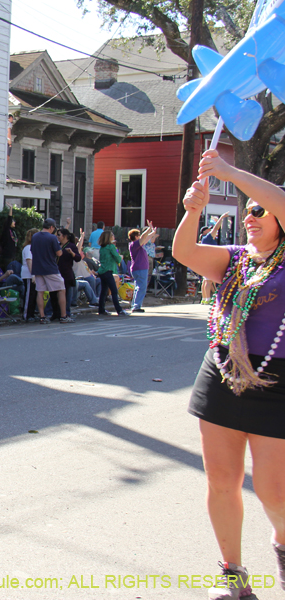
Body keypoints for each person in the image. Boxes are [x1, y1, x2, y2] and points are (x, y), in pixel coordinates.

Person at [172, 149, 285, 599]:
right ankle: (235, 581)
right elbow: (183, 251)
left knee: (275, 495)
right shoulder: (235, 259)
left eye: (261, 211)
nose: (252, 216)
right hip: (222, 373)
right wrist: (193, 210)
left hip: (276, 383)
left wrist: (229, 172)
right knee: (222, 481)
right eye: (248, 212)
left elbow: (279, 197)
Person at [31, 218, 71, 324]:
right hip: (50, 268)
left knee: (40, 292)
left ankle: (42, 317)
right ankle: (63, 316)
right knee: (61, 289)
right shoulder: (52, 237)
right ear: (52, 227)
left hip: (37, 268)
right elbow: (59, 253)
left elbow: (32, 250)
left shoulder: (35, 236)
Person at [97, 230, 128, 317]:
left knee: (103, 291)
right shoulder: (111, 247)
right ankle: (119, 310)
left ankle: (101, 309)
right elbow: (117, 259)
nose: (113, 236)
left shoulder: (102, 248)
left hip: (102, 271)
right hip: (108, 270)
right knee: (114, 291)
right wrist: (120, 257)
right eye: (112, 235)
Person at [200, 214, 229, 305]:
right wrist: (221, 218)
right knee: (208, 281)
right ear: (204, 232)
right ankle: (208, 299)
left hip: (205, 261)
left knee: (205, 280)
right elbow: (216, 228)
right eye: (208, 229)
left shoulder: (204, 239)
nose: (210, 230)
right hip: (210, 261)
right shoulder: (208, 238)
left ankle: (205, 298)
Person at [128, 226, 154, 313]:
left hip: (139, 269)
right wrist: (148, 229)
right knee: (141, 287)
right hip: (140, 269)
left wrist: (152, 233)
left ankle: (135, 305)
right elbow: (143, 237)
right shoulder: (134, 245)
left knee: (138, 287)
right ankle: (136, 306)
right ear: (136, 236)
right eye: (138, 235)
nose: (140, 236)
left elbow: (145, 239)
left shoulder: (137, 245)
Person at [57, 228, 82, 318]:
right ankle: (56, 312)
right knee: (56, 294)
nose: (58, 237)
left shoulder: (71, 245)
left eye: (59, 235)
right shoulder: (57, 245)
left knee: (67, 295)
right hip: (57, 273)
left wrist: (72, 253)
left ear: (65, 236)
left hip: (67, 274)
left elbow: (78, 258)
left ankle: (66, 313)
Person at [20, 228, 38, 322]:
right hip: (28, 275)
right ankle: (26, 314)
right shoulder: (28, 248)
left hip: (32, 274)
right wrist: (33, 275)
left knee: (33, 295)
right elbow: (29, 262)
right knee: (29, 295)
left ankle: (31, 313)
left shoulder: (33, 247)